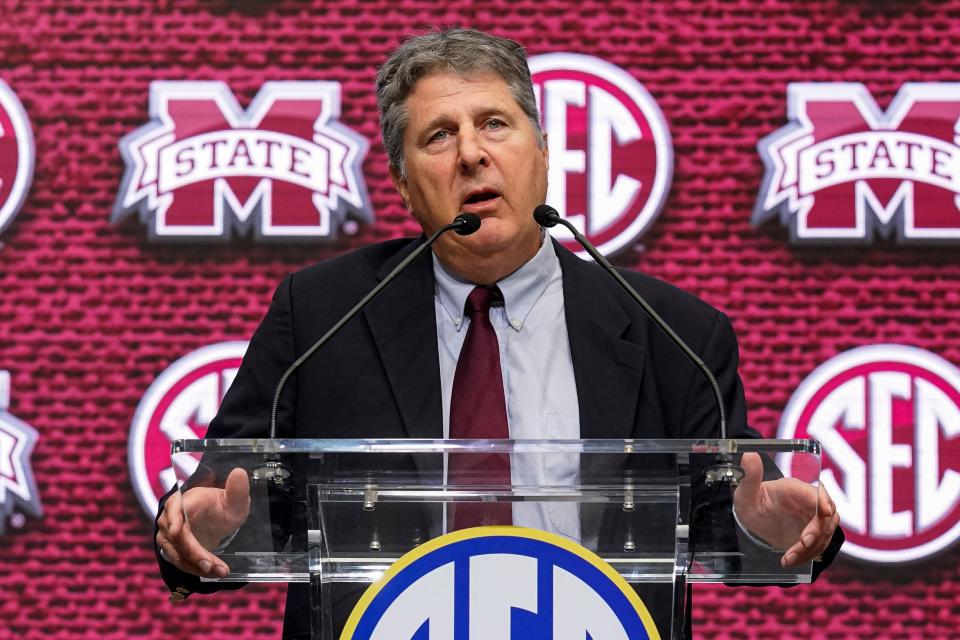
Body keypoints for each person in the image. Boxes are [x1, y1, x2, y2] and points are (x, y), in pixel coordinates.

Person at [155, 28, 843, 638]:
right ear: (401, 181)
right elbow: (234, 493)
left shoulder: (674, 332)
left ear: (543, 153)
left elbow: (725, 512)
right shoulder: (321, 313)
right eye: (439, 136)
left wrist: (766, 524)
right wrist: (203, 523)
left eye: (494, 124)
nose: (472, 155)